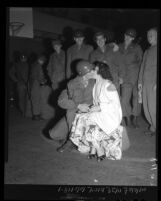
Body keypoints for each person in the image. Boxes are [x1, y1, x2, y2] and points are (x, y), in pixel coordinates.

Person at [69, 61, 123, 161]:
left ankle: (98, 149)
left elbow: (115, 105)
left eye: (94, 69)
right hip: (102, 113)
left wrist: (99, 108)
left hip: (111, 115)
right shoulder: (96, 84)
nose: (91, 71)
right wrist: (92, 108)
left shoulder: (108, 85)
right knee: (81, 116)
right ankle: (93, 148)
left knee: (87, 119)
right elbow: (96, 103)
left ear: (99, 71)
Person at [50, 60, 95, 151]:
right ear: (84, 73)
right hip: (75, 115)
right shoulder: (72, 84)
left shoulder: (95, 81)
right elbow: (61, 101)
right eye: (91, 71)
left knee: (71, 113)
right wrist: (78, 105)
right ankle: (73, 134)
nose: (93, 72)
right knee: (54, 134)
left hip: (91, 114)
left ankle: (72, 140)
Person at [118, 28, 143, 128]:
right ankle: (127, 117)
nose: (128, 38)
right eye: (127, 35)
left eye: (131, 36)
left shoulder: (137, 47)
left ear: (133, 38)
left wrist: (141, 77)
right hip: (125, 77)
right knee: (124, 99)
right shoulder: (118, 46)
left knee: (137, 98)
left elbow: (141, 62)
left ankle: (135, 118)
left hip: (136, 76)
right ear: (124, 35)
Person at [138, 28, 157, 136]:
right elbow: (142, 67)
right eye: (148, 36)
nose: (149, 38)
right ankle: (153, 127)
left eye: (152, 35)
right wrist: (140, 82)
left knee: (153, 107)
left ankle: (154, 127)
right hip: (145, 83)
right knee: (146, 107)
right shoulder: (147, 51)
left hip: (153, 84)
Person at [30, 55, 48, 120]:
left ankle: (35, 114)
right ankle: (36, 115)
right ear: (42, 61)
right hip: (36, 83)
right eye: (43, 62)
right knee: (36, 99)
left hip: (32, 83)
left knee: (34, 98)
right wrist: (44, 81)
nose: (43, 63)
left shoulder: (33, 64)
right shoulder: (38, 66)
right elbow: (40, 75)